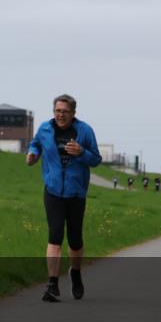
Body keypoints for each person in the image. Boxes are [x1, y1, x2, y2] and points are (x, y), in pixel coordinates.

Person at [26, 94, 102, 302]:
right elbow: (35, 144)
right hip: (53, 191)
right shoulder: (44, 129)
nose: (61, 115)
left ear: (73, 113)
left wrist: (81, 152)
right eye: (57, 111)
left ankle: (75, 273)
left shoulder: (85, 131)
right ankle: (52, 285)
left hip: (76, 193)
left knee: (75, 240)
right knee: (55, 236)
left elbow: (96, 159)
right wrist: (32, 154)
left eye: (65, 112)